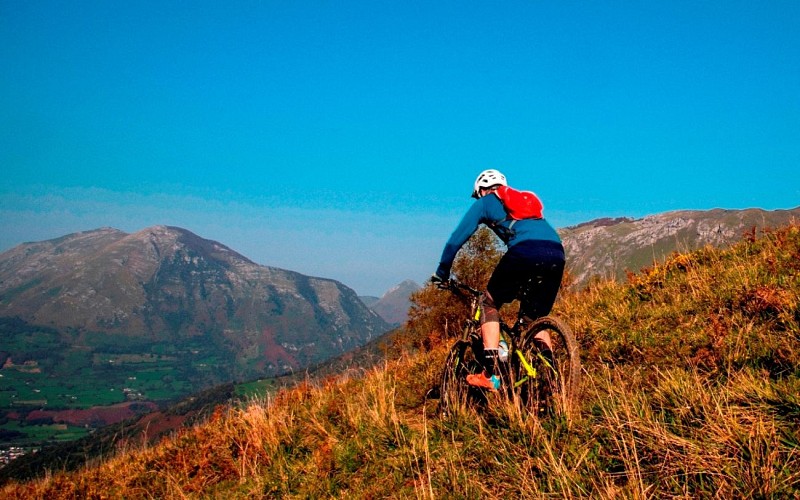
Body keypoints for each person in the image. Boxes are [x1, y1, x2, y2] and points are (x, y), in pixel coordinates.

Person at [433, 169, 565, 390]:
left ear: (482, 190)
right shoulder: (523, 202)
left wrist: (443, 271)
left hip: (525, 251)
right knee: (535, 317)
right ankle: (553, 378)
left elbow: (457, 238)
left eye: (478, 195)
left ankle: (491, 373)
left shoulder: (485, 202)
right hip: (557, 253)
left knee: (489, 302)